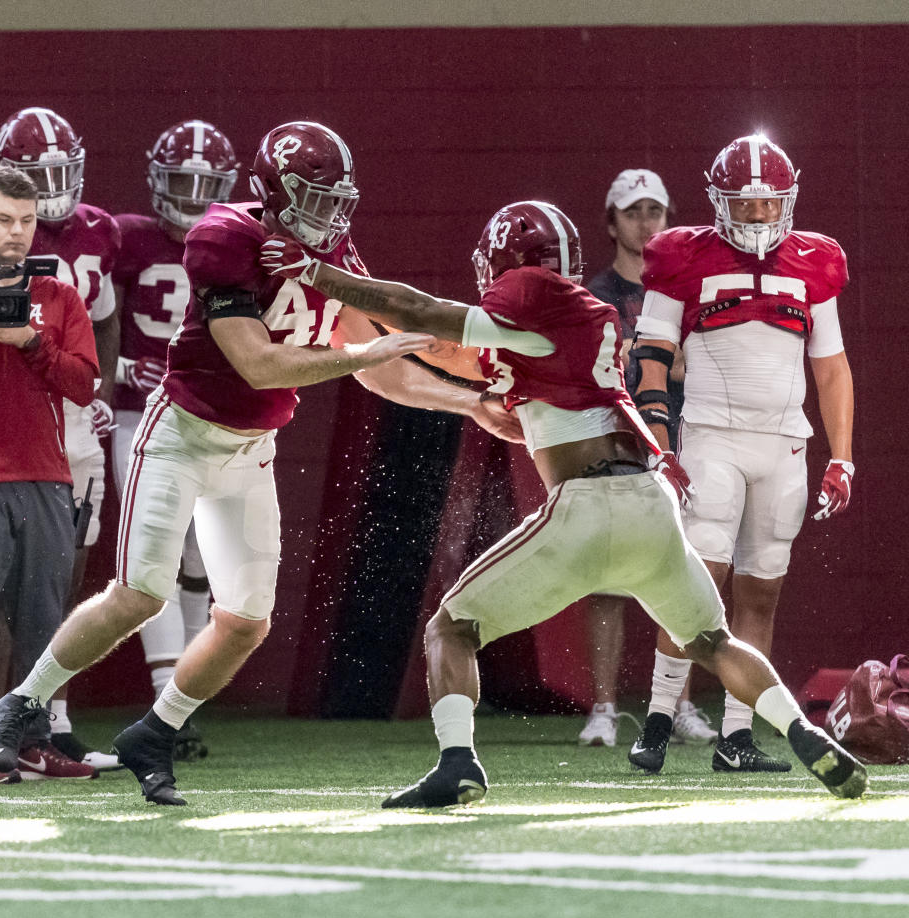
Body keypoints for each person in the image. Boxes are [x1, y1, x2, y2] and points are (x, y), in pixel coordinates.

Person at [258, 197, 867, 807]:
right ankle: (807, 736)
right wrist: (413, 356)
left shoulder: (530, 291)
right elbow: (447, 348)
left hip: (589, 504)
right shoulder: (577, 316)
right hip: (649, 508)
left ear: (515, 262)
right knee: (713, 642)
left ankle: (457, 764)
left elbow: (425, 312)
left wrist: (321, 275)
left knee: (451, 627)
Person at [0, 120, 522, 805]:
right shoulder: (225, 236)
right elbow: (259, 363)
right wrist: (359, 356)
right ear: (271, 191)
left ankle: (155, 731)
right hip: (181, 434)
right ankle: (22, 702)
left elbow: (381, 373)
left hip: (250, 451)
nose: (328, 213)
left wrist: (468, 401)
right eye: (312, 196)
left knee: (245, 622)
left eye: (336, 198)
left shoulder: (332, 254)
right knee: (141, 592)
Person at [627, 134, 855, 776]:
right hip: (711, 436)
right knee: (696, 584)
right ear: (718, 201)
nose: (756, 216)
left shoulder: (816, 260)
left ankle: (736, 734)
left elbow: (832, 367)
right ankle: (659, 719)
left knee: (761, 594)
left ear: (787, 202)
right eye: (743, 204)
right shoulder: (681, 257)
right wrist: (662, 445)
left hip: (784, 442)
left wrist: (843, 457)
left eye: (767, 204)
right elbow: (650, 357)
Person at [0, 107, 121, 771]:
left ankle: (30, 740)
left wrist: (28, 340)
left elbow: (82, 382)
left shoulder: (59, 296)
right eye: (4, 220)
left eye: (26, 221)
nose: (17, 233)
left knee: (46, 622)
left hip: (50, 474)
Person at [111, 119, 240, 761]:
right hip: (141, 414)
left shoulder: (232, 245)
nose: (191, 199)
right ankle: (170, 694)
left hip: (210, 416)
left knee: (201, 560)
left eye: (204, 186)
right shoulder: (125, 240)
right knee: (155, 554)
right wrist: (115, 371)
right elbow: (93, 318)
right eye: (179, 184)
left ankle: (183, 699)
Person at [579, 169, 715, 748]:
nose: (645, 222)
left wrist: (649, 357)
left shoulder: (686, 287)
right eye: (633, 212)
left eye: (654, 211)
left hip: (678, 440)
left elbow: (694, 362)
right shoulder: (593, 294)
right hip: (614, 441)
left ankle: (677, 706)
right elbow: (598, 367)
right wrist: (656, 357)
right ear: (612, 222)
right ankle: (604, 709)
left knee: (677, 571)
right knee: (606, 579)